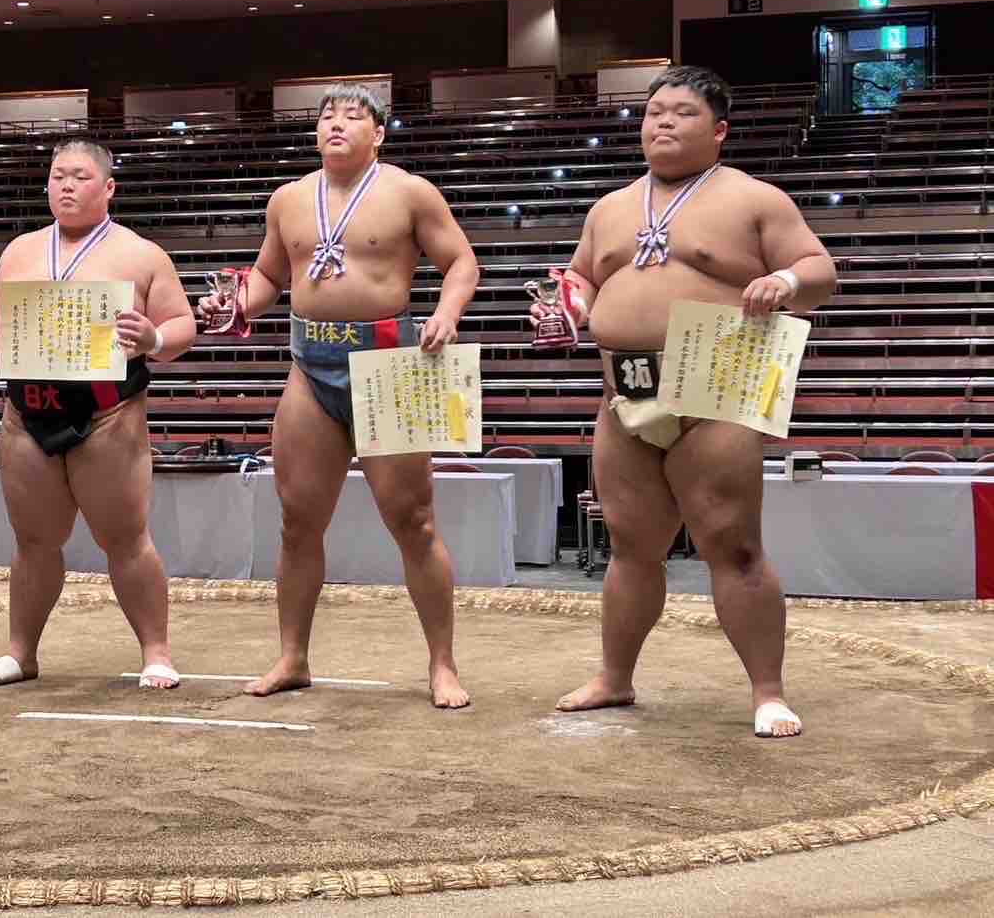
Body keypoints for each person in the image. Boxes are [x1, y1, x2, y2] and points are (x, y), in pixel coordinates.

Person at [535, 66, 836, 738]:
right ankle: (615, 678)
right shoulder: (609, 208)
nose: (663, 122)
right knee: (629, 546)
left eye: (682, 112)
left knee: (733, 544)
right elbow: (580, 276)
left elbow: (820, 270)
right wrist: (566, 305)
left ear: (719, 129)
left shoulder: (754, 199)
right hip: (623, 390)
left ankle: (767, 692)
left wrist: (784, 282)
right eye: (654, 112)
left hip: (713, 384)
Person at [197, 83, 479, 709]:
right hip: (310, 365)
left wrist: (447, 312)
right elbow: (269, 274)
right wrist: (237, 304)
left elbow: (462, 262)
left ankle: (442, 664)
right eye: (327, 115)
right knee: (297, 521)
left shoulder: (410, 192)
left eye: (353, 116)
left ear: (378, 133)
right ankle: (292, 657)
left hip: (390, 363)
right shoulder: (288, 198)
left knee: (413, 520)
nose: (337, 124)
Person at [0, 139, 195, 690]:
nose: (65, 186)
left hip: (107, 412)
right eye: (57, 176)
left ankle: (157, 652)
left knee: (125, 538)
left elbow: (182, 326)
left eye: (79, 176)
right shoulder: (21, 250)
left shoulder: (142, 254)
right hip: (27, 410)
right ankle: (21, 653)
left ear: (109, 187)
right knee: (33, 541)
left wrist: (153, 338)